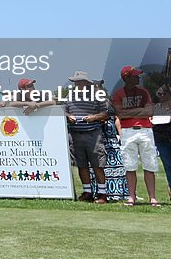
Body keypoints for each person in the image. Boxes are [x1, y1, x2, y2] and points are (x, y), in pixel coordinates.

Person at [111, 65, 160, 207]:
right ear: (127, 77)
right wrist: (140, 110)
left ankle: (152, 197)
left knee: (149, 165)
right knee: (129, 166)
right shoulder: (118, 94)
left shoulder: (144, 92)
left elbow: (149, 112)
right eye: (135, 76)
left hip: (145, 130)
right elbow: (121, 115)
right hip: (127, 131)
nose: (138, 77)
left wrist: (131, 112)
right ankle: (132, 197)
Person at [62, 70, 109, 203]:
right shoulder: (69, 96)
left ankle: (102, 194)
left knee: (97, 165)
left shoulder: (96, 96)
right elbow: (63, 111)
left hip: (93, 133)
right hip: (75, 134)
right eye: (76, 82)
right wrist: (68, 116)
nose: (78, 84)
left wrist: (94, 117)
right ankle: (87, 192)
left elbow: (105, 114)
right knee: (81, 165)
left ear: (86, 83)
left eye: (80, 82)